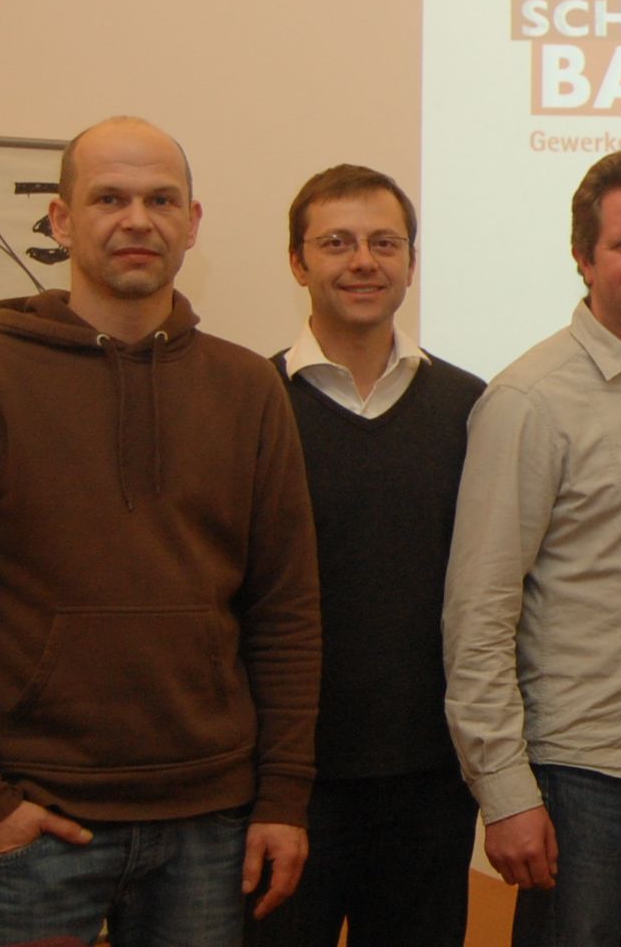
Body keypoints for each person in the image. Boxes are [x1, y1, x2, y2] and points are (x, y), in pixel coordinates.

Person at [0, 116, 320, 945]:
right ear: (61, 219)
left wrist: (283, 798)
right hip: (32, 826)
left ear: (192, 222)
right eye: (108, 198)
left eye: (161, 199)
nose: (137, 219)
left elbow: (284, 610)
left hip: (209, 830)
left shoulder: (248, 387)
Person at [443, 147, 621, 946]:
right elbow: (478, 612)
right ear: (583, 257)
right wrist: (505, 790)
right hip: (580, 773)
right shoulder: (529, 399)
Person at [250, 165, 484, 947]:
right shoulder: (249, 400)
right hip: (284, 787)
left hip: (429, 782)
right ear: (296, 261)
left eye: (384, 243)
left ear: (411, 262)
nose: (363, 262)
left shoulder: (470, 406)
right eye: (336, 243)